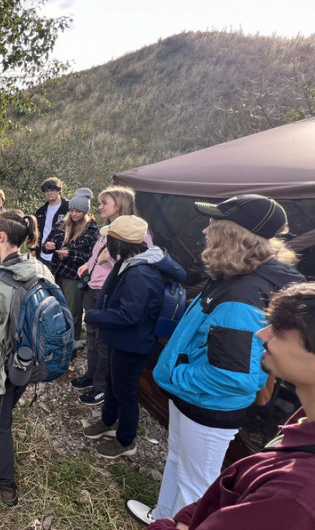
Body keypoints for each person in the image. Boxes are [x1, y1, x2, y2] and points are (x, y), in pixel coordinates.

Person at [127, 194, 304, 525]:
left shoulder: (244, 295)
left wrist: (175, 375)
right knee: (177, 458)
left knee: (196, 484)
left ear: (233, 234)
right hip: (193, 398)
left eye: (213, 226)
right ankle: (162, 517)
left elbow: (234, 376)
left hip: (209, 406)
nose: (206, 232)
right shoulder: (236, 275)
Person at [145, 282, 315, 530]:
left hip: (209, 410)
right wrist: (182, 519)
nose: (261, 334)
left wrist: (168, 525)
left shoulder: (294, 497)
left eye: (278, 330)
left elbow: (234, 376)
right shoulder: (303, 423)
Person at [82, 215, 186, 459]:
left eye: (110, 240)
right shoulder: (129, 262)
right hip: (120, 340)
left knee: (125, 391)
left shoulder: (141, 274)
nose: (107, 243)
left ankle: (126, 440)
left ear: (121, 243)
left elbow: (128, 315)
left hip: (133, 344)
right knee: (112, 382)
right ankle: (108, 421)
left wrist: (94, 316)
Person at [0, 210, 52, 507]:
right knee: (1, 415)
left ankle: (5, 486)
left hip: (3, 369)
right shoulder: (41, 270)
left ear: (1, 237)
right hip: (31, 362)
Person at [71, 185, 148, 406]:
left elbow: (137, 261)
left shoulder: (133, 232)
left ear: (120, 205)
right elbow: (98, 256)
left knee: (104, 341)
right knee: (93, 337)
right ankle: (91, 375)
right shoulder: (107, 229)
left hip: (109, 293)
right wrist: (87, 265)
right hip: (93, 289)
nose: (99, 206)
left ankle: (102, 387)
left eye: (105, 202)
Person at [47, 188, 99, 348]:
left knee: (72, 312)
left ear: (85, 211)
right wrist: (48, 246)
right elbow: (47, 244)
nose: (74, 214)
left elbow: (92, 257)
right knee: (54, 310)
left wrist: (70, 254)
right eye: (72, 210)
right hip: (56, 273)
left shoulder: (92, 230)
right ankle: (56, 341)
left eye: (78, 211)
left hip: (74, 276)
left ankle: (72, 343)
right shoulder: (61, 224)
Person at [34, 177, 69, 267]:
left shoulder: (69, 208)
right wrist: (33, 248)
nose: (49, 193)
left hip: (61, 255)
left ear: (58, 190)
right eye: (46, 191)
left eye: (52, 190)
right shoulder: (40, 211)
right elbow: (35, 231)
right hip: (42, 254)